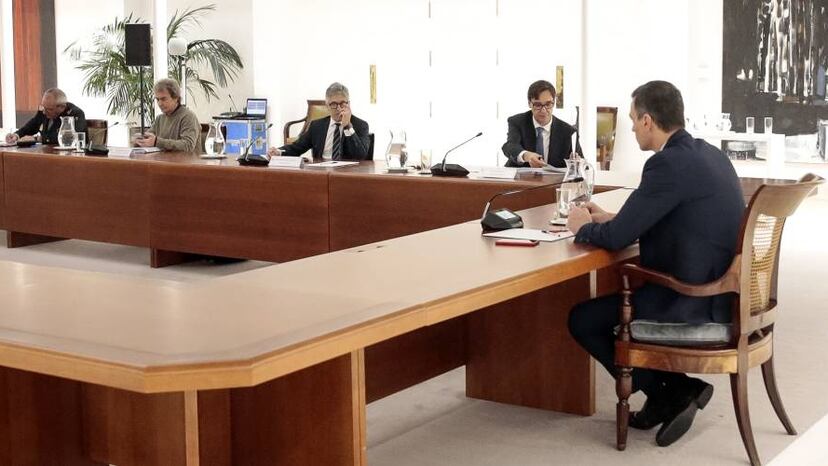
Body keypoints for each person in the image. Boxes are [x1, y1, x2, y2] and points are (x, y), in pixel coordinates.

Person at [566, 81, 745, 447]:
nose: (632, 128)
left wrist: (581, 227)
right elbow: (666, 216)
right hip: (725, 295)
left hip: (692, 299)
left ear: (648, 120)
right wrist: (611, 219)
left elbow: (617, 239)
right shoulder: (708, 154)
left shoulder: (667, 163)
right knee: (600, 313)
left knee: (582, 320)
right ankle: (671, 392)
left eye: (634, 120)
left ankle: (673, 391)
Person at [268, 82, 370, 161]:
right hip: (321, 172)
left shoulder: (360, 125)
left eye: (343, 104)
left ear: (349, 104)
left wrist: (347, 126)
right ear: (327, 106)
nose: (339, 108)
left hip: (347, 173)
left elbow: (360, 156)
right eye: (334, 104)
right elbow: (297, 147)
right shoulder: (317, 126)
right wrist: (278, 152)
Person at [502, 80, 581, 168]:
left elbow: (583, 165)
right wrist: (527, 155)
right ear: (529, 103)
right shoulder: (517, 122)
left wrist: (576, 164)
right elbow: (510, 146)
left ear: (554, 102)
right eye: (538, 105)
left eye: (548, 104)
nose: (543, 110)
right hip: (520, 176)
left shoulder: (568, 132)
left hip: (553, 177)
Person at [134, 78, 200, 154]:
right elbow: (149, 138)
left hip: (186, 161)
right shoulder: (159, 119)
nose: (160, 104)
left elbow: (188, 145)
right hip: (163, 160)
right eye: (157, 99)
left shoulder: (188, 116)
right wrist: (140, 140)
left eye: (163, 99)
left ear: (176, 98)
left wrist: (156, 141)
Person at [6, 88, 87, 145]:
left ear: (62, 107)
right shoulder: (44, 110)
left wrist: (37, 139)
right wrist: (16, 135)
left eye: (49, 109)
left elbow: (69, 138)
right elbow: (33, 125)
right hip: (47, 153)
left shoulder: (76, 114)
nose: (44, 112)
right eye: (43, 107)